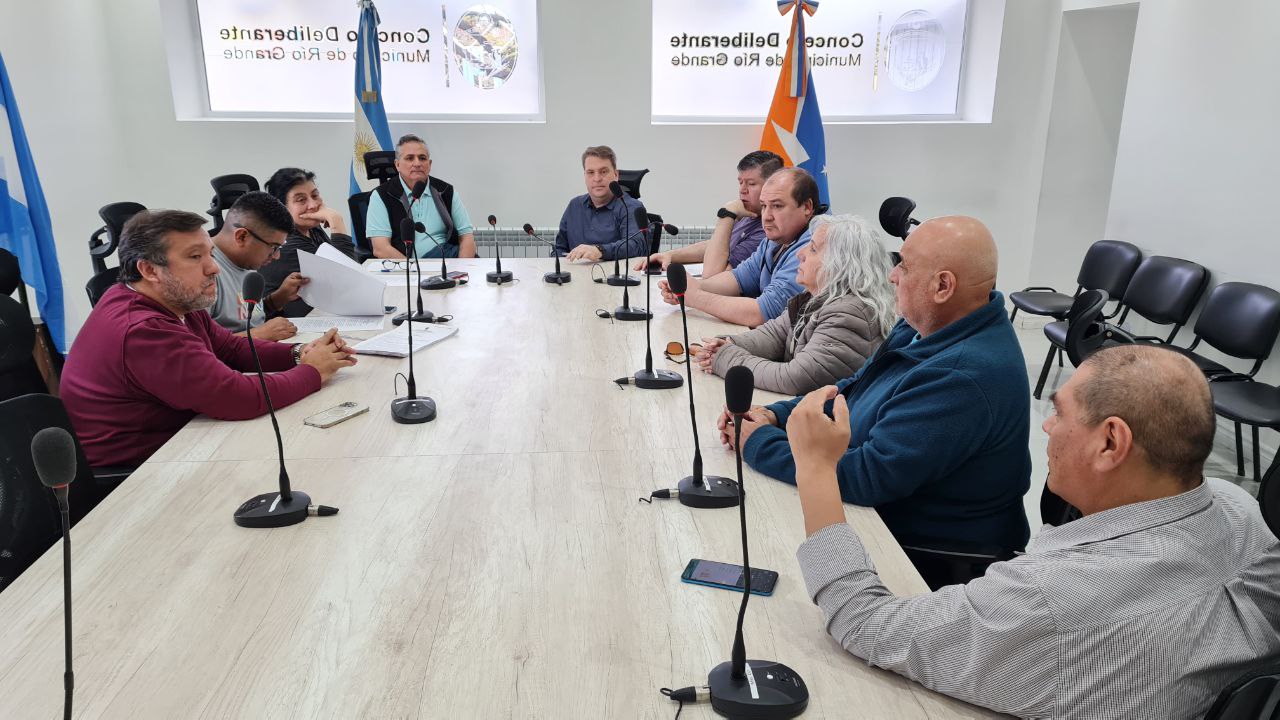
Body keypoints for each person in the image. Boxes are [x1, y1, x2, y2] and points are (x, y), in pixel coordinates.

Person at [787, 345, 1280, 719]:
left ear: (1111, 442)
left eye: (1060, 412)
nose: (1047, 428)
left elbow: (864, 622)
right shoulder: (1237, 507)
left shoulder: (1052, 599)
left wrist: (816, 467)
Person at [721, 216, 1031, 586]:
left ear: (943, 286)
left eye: (904, 266)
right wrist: (775, 415)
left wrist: (757, 442)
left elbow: (869, 476)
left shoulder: (963, 375)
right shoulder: (923, 326)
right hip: (882, 515)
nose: (892, 275)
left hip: (924, 557)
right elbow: (853, 388)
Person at [60, 210, 357, 470]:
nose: (213, 268)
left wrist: (300, 352)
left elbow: (229, 348)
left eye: (210, 254)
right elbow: (237, 397)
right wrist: (313, 371)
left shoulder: (174, 300)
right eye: (195, 257)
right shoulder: (143, 330)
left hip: (183, 438)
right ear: (149, 270)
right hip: (139, 473)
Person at [695, 214, 895, 395]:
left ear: (841, 264)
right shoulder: (815, 297)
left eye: (813, 249)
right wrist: (727, 344)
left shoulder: (850, 313)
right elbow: (775, 335)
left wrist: (727, 359)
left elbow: (795, 378)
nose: (800, 253)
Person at [659, 167, 817, 328]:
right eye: (764, 206)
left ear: (807, 207)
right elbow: (738, 278)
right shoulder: (775, 240)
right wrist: (689, 287)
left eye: (777, 206)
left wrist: (695, 297)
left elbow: (762, 313)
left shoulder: (814, 247)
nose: (767, 217)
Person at [637, 150, 781, 276]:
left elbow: (714, 276)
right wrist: (669, 255)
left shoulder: (766, 231)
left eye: (751, 184)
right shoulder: (747, 214)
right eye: (740, 182)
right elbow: (716, 246)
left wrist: (727, 215)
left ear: (772, 186)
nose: (742, 190)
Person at [260, 167, 358, 317]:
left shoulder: (311, 228)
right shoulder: (286, 244)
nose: (313, 205)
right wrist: (336, 222)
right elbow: (347, 281)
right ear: (282, 208)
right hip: (293, 324)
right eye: (301, 200)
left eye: (315, 195)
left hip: (321, 312)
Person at [207, 191, 301, 340]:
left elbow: (246, 316)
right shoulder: (204, 272)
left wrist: (277, 299)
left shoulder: (247, 262)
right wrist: (259, 335)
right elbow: (195, 347)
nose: (276, 256)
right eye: (273, 247)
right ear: (242, 237)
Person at [367, 134, 476, 259]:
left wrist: (462, 267)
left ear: (429, 164)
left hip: (448, 260)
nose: (417, 163)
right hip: (406, 266)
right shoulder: (381, 195)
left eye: (422, 158)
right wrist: (413, 269)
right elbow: (381, 248)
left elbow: (467, 237)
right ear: (397, 165)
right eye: (410, 158)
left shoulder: (446, 191)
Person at [554, 145, 648, 262]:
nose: (597, 178)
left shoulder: (630, 207)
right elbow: (559, 249)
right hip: (574, 272)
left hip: (616, 273)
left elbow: (636, 245)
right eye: (590, 172)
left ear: (616, 175)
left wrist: (599, 251)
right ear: (585, 176)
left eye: (603, 171)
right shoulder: (574, 206)